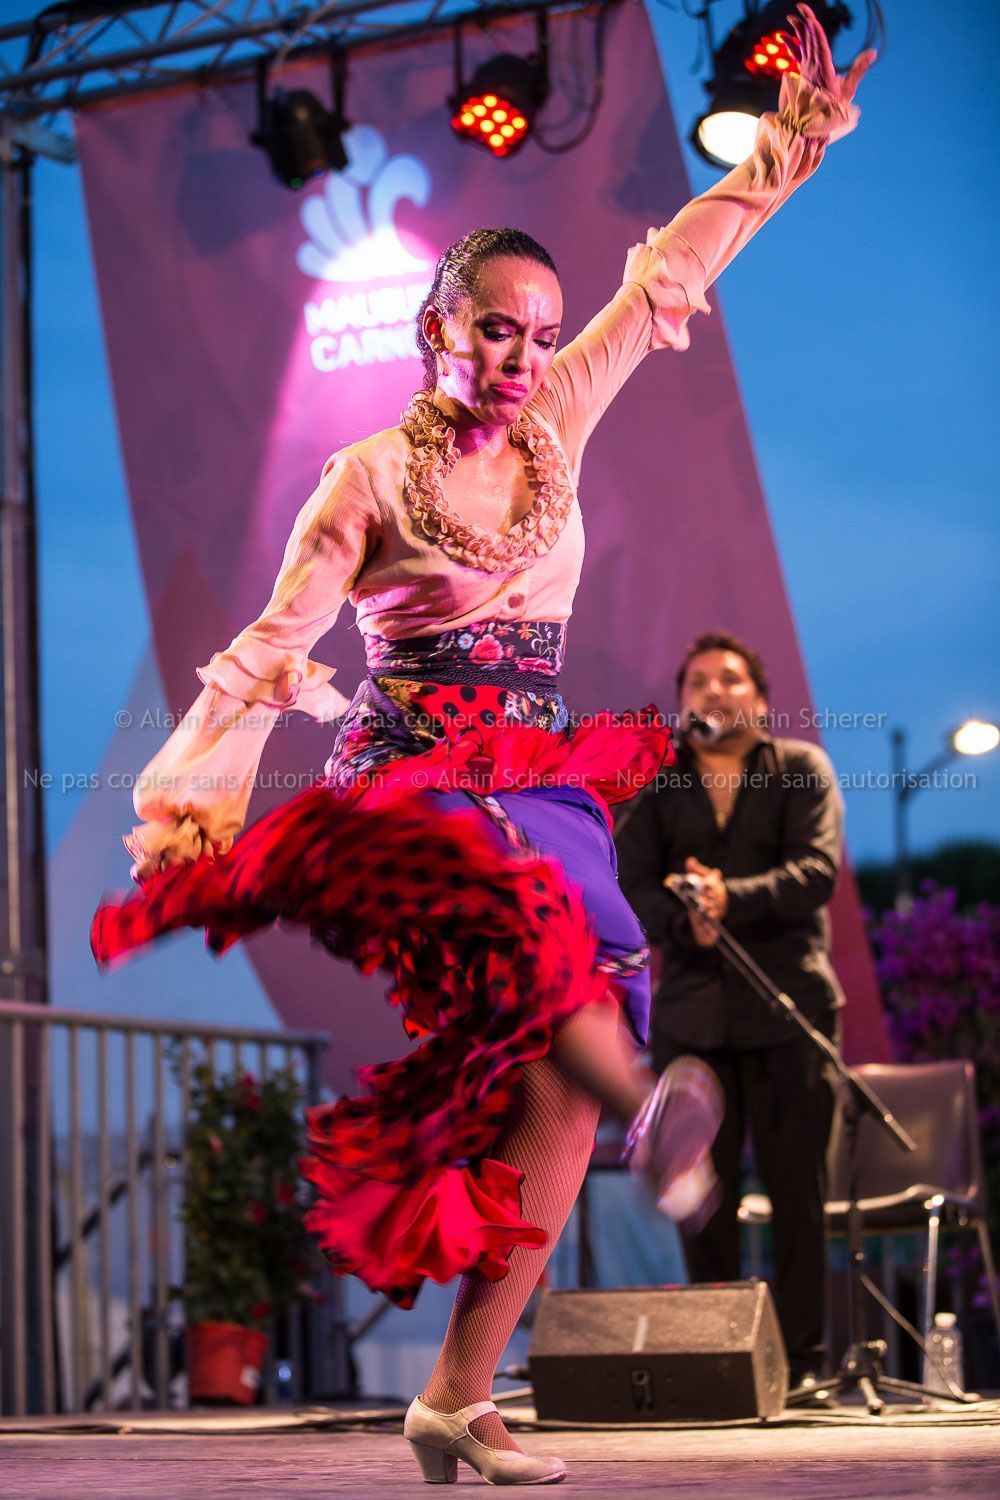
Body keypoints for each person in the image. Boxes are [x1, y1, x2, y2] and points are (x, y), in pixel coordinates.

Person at [92, 9, 872, 1482]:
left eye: (538, 329)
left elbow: (669, 277)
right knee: (540, 938)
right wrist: (190, 796)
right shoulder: (364, 481)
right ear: (436, 329)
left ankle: (458, 1393)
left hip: (535, 774)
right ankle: (654, 1109)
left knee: (551, 1086)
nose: (522, 354)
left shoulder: (560, 416)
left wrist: (785, 149)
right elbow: (273, 641)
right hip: (412, 778)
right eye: (495, 327)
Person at [615, 629, 846, 1388]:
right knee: (699, 1196)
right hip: (692, 1020)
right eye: (698, 682)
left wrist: (729, 898)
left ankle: (804, 1364)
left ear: (762, 699)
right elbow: (628, 886)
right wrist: (686, 921)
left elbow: (816, 871)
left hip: (788, 1013)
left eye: (731, 679)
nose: (714, 691)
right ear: (682, 703)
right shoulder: (657, 782)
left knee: (797, 1192)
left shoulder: (802, 769)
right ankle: (718, 1365)